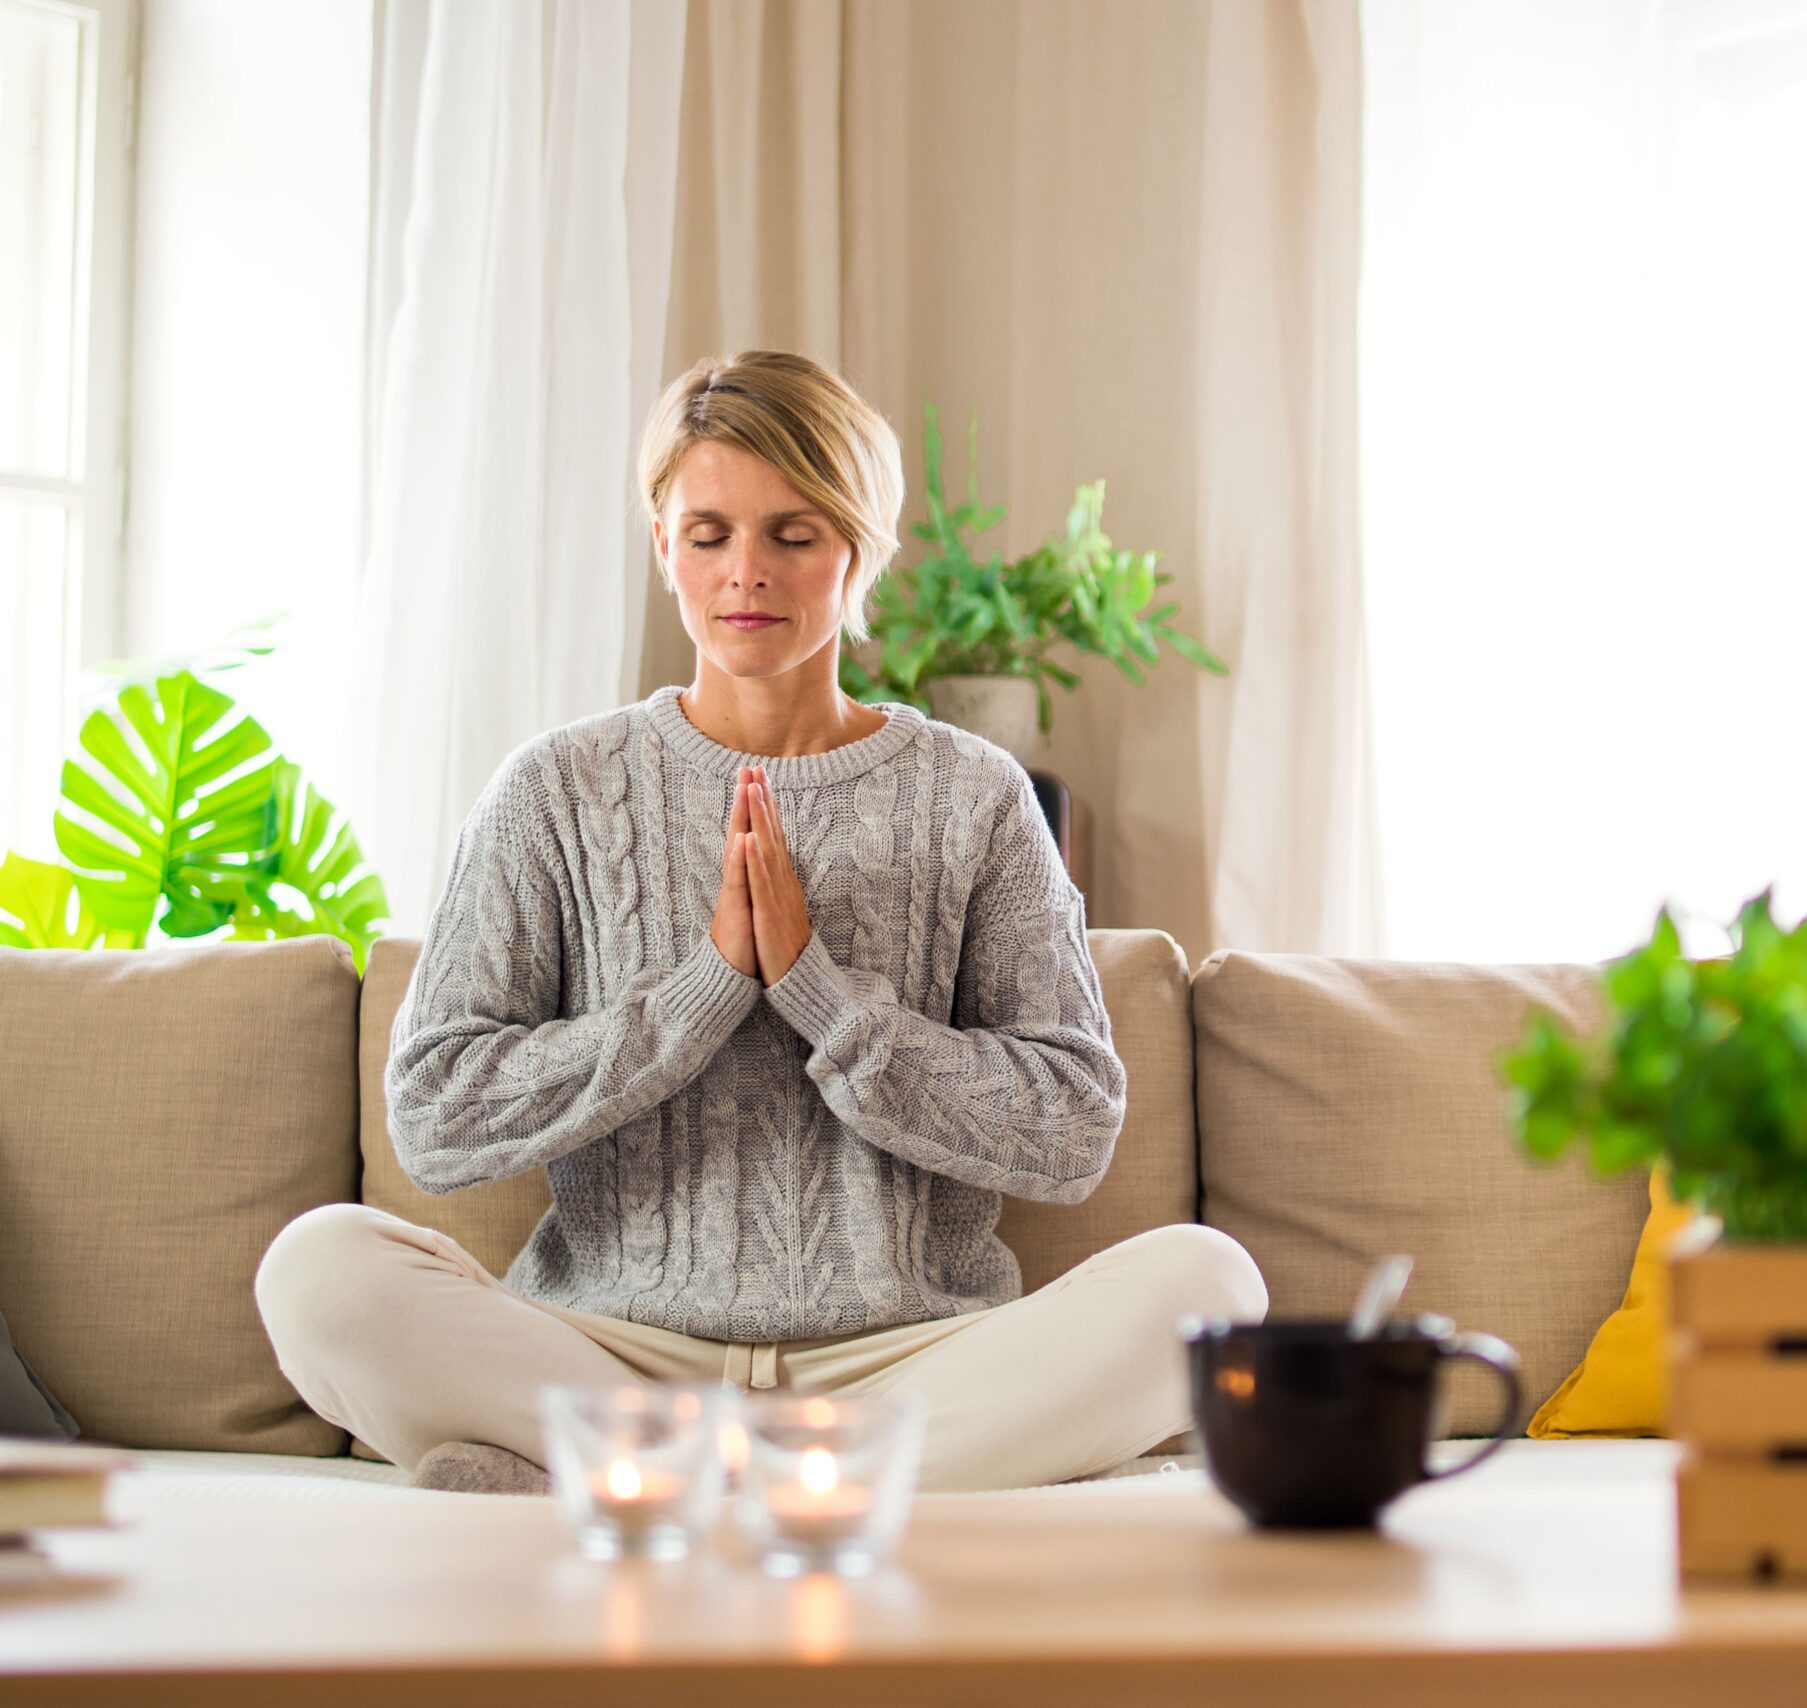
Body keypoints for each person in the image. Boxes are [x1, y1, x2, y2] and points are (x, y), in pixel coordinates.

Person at [256, 349, 1266, 1495]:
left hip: (906, 1359)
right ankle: (791, 1485)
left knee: (1210, 1283)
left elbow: (1073, 1125)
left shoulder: (973, 795)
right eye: (709, 534)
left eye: (793, 533)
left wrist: (820, 994)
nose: (748, 574)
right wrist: (699, 993)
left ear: (860, 546)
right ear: (662, 545)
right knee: (318, 1270)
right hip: (611, 1350)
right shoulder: (554, 789)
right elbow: (435, 1115)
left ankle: (658, 1482)